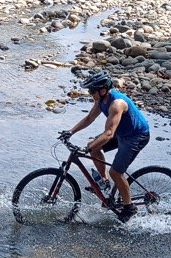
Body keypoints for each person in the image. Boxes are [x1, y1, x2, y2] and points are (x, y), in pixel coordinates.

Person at [62, 68, 151, 222]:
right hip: (121, 133)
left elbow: (109, 133)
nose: (90, 94)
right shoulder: (100, 100)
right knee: (94, 146)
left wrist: (88, 147)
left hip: (136, 136)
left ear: (103, 90)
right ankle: (104, 181)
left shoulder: (116, 104)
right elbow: (89, 118)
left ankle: (129, 207)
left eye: (92, 91)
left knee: (116, 172)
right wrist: (70, 132)